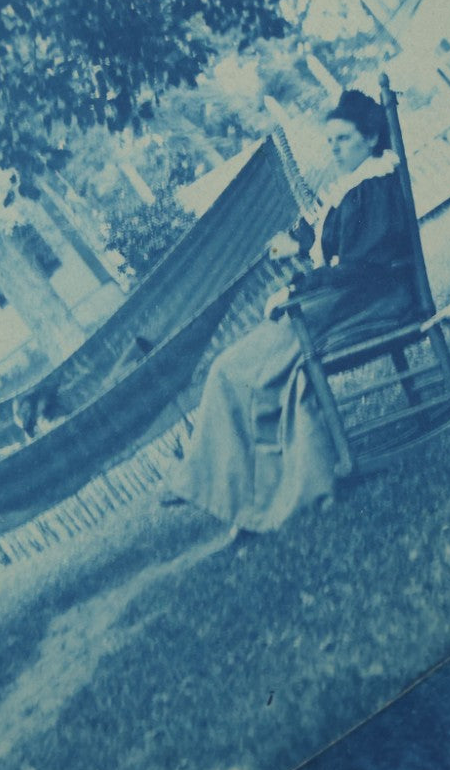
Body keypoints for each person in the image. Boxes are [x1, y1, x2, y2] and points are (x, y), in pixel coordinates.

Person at [162, 89, 421, 533]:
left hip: (365, 303)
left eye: (342, 139)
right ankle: (233, 487)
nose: (334, 149)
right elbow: (343, 246)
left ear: (371, 136)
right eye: (330, 141)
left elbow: (363, 264)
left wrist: (300, 288)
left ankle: (206, 480)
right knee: (241, 371)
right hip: (341, 302)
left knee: (230, 370)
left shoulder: (375, 183)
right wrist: (304, 253)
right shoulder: (358, 188)